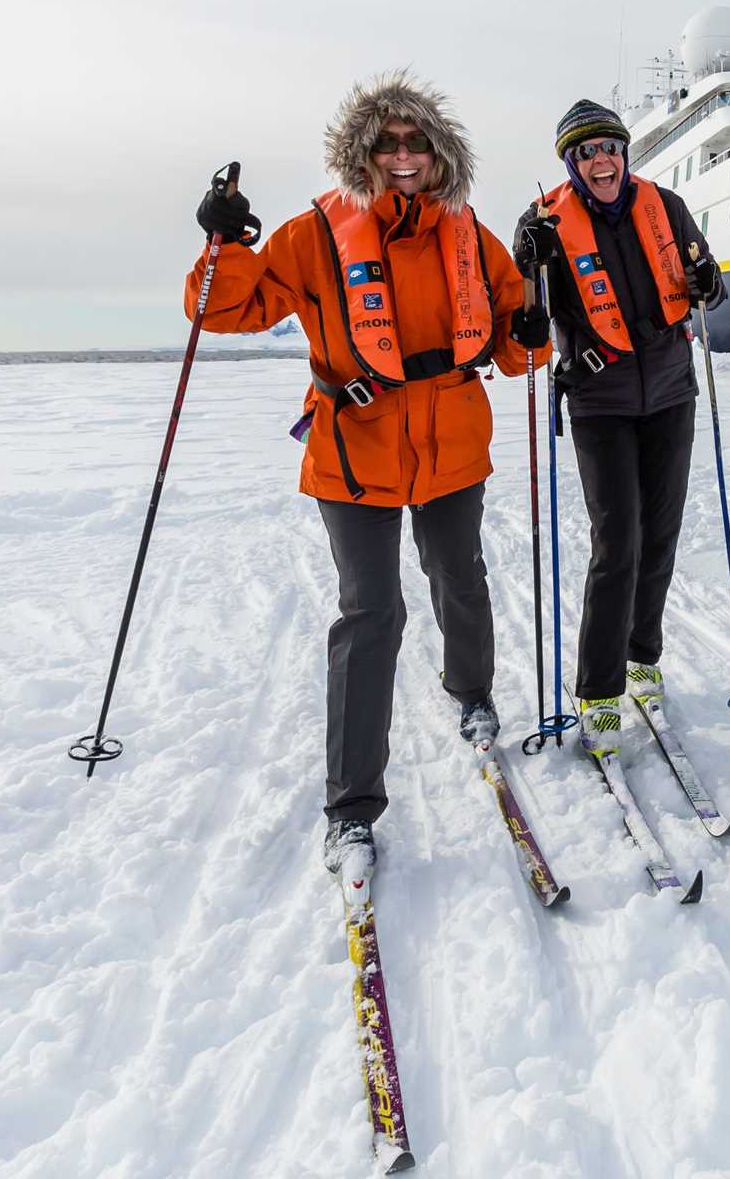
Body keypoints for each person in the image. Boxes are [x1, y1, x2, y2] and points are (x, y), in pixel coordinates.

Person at [187, 71, 542, 875]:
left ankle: (472, 691)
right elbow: (225, 309)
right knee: (370, 615)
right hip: (352, 453)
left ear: (441, 151)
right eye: (387, 143)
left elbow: (518, 346)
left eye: (418, 141)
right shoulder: (316, 233)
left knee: (459, 575)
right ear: (363, 154)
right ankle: (352, 807)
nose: (404, 155)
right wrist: (223, 244)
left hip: (451, 444)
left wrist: (533, 325)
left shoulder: (471, 236)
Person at [511, 100, 726, 759]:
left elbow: (707, 288)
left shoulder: (665, 205)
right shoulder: (544, 221)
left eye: (609, 148)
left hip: (670, 394)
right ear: (572, 165)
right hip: (600, 401)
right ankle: (599, 692)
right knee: (618, 544)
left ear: (623, 152)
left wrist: (707, 281)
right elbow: (527, 305)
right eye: (586, 153)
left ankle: (642, 660)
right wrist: (531, 262)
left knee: (659, 536)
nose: (601, 161)